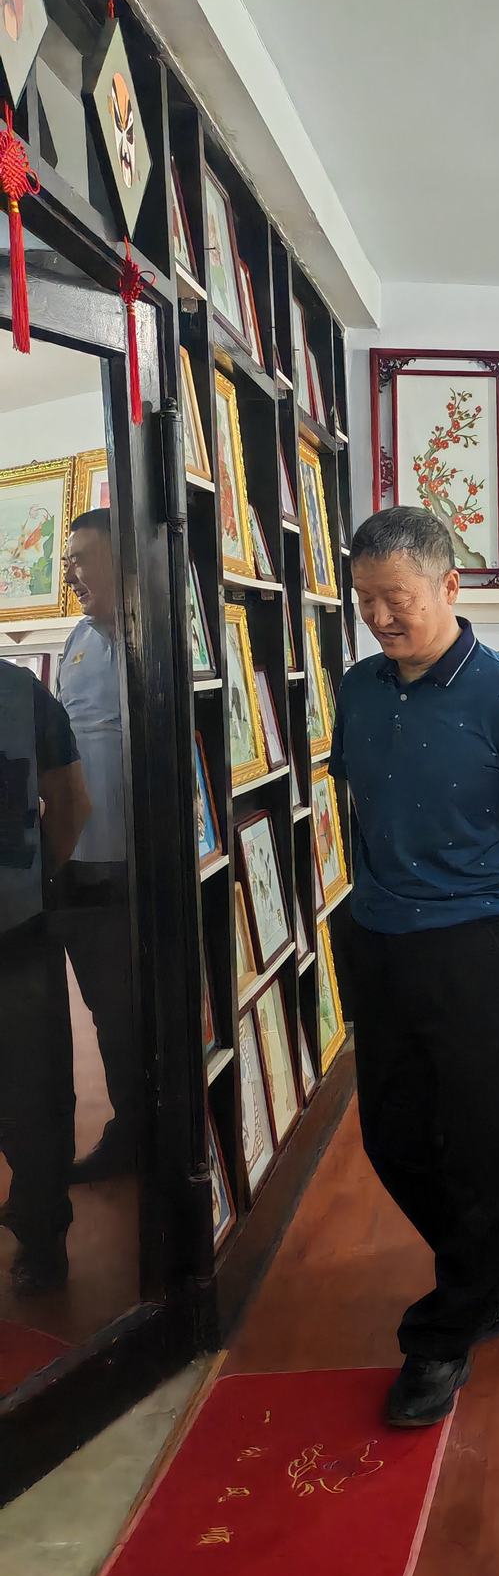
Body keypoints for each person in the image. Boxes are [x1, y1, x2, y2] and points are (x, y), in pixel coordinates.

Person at [333, 506, 499, 1427]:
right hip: (379, 934)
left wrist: (488, 903)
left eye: (396, 597)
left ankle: (445, 1333)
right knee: (391, 1133)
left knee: (480, 1142)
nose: (380, 617)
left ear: (448, 586)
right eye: (365, 600)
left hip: (479, 941)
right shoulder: (358, 688)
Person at [56, 507, 145, 1184]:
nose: (70, 574)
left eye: (80, 558)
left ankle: (174, 1131)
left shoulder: (162, 636)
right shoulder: (77, 642)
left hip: (149, 866)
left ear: (122, 557)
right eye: (66, 562)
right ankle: (130, 1131)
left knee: (157, 1009)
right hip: (84, 867)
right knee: (108, 1011)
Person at [0, 656, 89, 1295]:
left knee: (32, 1089)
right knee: (34, 1086)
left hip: (17, 928)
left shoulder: (23, 693)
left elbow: (72, 804)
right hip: (16, 920)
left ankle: (40, 1232)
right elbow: (72, 805)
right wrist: (35, 877)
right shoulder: (21, 692)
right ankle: (40, 1237)